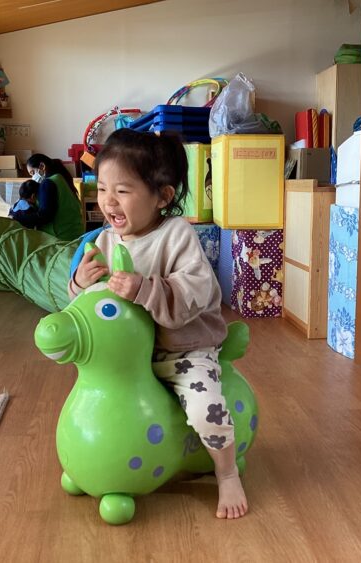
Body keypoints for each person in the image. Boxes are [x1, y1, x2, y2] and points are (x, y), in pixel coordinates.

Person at [69, 128, 248, 519]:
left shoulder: (177, 235)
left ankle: (226, 472)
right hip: (133, 357)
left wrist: (143, 288)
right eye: (102, 189)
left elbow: (197, 289)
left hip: (183, 351)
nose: (108, 201)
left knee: (204, 409)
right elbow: (93, 308)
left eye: (122, 191)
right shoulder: (105, 241)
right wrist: (80, 284)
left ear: (162, 197)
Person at [10, 153, 83, 241]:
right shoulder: (61, 178)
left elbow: (44, 216)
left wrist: (16, 219)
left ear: (42, 166)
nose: (33, 177)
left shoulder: (48, 183)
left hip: (61, 237)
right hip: (75, 234)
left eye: (33, 173)